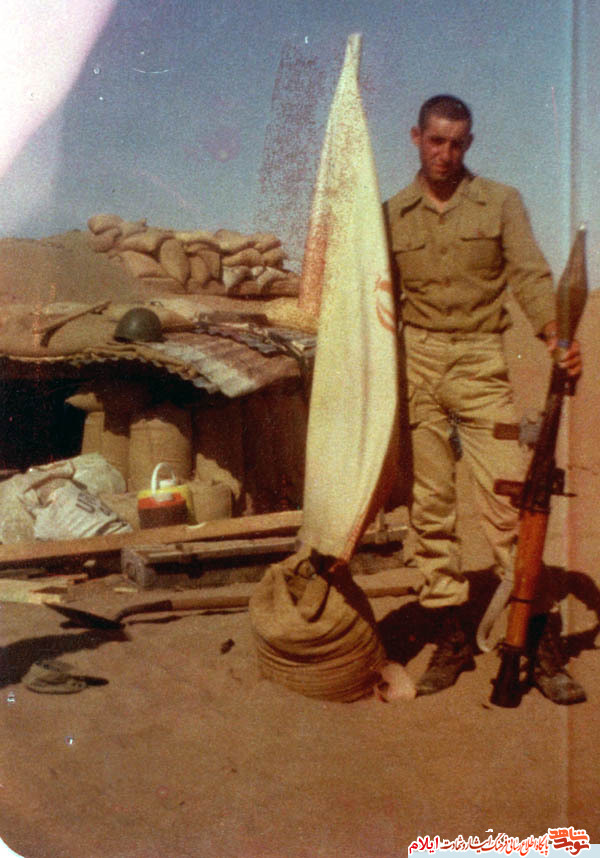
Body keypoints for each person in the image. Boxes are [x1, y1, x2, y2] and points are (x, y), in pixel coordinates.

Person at [383, 94, 584, 703]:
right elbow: (375, 295)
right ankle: (451, 636)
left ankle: (537, 639)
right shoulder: (389, 215)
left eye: (457, 143)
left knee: (508, 501)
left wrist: (555, 337)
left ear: (468, 144)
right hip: (417, 364)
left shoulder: (500, 201)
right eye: (436, 141)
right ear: (416, 137)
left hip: (479, 361)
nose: (446, 154)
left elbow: (528, 275)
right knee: (430, 509)